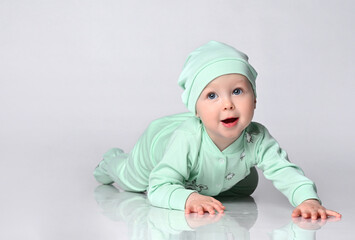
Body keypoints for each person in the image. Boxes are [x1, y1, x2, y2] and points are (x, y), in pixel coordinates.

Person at [94, 41, 341, 219]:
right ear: (196, 109)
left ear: (254, 99)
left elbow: (286, 171)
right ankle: (110, 161)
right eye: (211, 95)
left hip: (215, 172)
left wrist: (308, 200)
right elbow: (158, 188)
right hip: (156, 149)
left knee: (247, 184)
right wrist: (188, 199)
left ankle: (214, 180)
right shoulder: (186, 138)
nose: (228, 104)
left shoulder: (257, 137)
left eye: (237, 91)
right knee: (131, 179)